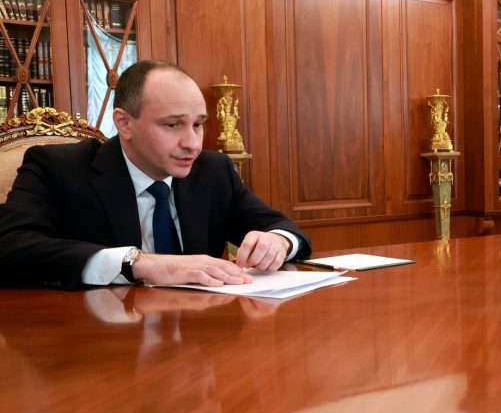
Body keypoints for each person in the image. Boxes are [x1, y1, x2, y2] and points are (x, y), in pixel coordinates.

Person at [0, 60, 311, 289]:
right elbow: (10, 248)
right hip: (100, 342)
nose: (192, 144)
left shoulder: (213, 170)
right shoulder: (58, 167)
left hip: (200, 337)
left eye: (198, 124)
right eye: (172, 125)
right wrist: (138, 263)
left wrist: (277, 241)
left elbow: (284, 229)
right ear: (124, 124)